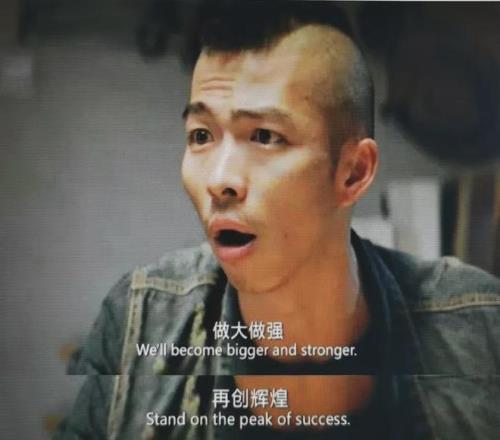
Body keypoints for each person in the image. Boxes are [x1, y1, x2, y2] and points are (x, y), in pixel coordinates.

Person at [55, 2, 500, 439]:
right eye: (202, 135)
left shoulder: (478, 329)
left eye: (265, 136)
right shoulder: (139, 319)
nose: (219, 180)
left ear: (353, 173)